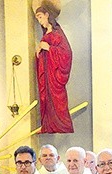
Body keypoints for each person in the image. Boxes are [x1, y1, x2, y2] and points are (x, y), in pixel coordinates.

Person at [35, 3, 73, 133]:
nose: (39, 21)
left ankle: (60, 125)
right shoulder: (47, 33)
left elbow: (66, 53)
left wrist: (49, 48)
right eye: (37, 19)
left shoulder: (58, 33)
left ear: (47, 15)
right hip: (46, 73)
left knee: (57, 98)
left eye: (40, 17)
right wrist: (39, 53)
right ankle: (48, 125)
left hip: (55, 75)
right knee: (46, 97)